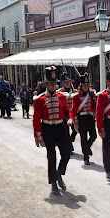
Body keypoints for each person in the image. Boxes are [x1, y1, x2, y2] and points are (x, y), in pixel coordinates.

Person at [33, 66, 71, 195]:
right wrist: (38, 136)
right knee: (52, 157)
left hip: (60, 127)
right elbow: (36, 119)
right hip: (47, 129)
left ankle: (59, 174)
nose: (53, 86)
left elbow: (67, 112)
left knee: (66, 153)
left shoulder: (62, 97)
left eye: (55, 84)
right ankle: (53, 183)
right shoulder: (40, 100)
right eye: (51, 84)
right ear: (46, 84)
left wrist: (69, 119)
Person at [71, 73, 97, 165]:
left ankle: (87, 148)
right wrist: (75, 122)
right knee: (83, 138)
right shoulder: (76, 96)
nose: (86, 87)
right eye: (84, 86)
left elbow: (95, 106)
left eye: (87, 85)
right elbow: (74, 110)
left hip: (90, 117)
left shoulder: (91, 94)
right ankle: (86, 157)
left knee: (94, 136)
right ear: (81, 87)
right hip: (81, 118)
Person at [58, 72, 78, 154]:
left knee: (75, 130)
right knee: (66, 132)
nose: (68, 84)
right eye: (66, 82)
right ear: (63, 83)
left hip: (72, 114)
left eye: (69, 82)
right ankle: (69, 147)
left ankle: (70, 141)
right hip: (65, 115)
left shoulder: (74, 91)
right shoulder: (59, 92)